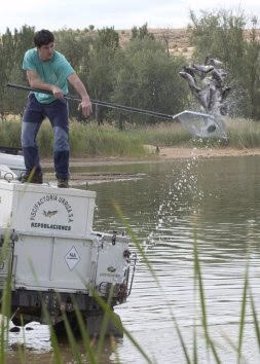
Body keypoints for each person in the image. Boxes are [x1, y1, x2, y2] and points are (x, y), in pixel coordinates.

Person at [20, 29, 92, 188]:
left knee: (61, 138)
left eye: (52, 46)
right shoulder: (30, 56)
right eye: (46, 48)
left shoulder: (60, 60)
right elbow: (33, 82)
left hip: (58, 101)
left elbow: (74, 79)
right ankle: (34, 174)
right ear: (38, 48)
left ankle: (62, 178)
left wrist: (85, 97)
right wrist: (52, 87)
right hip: (36, 99)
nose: (50, 51)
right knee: (26, 136)